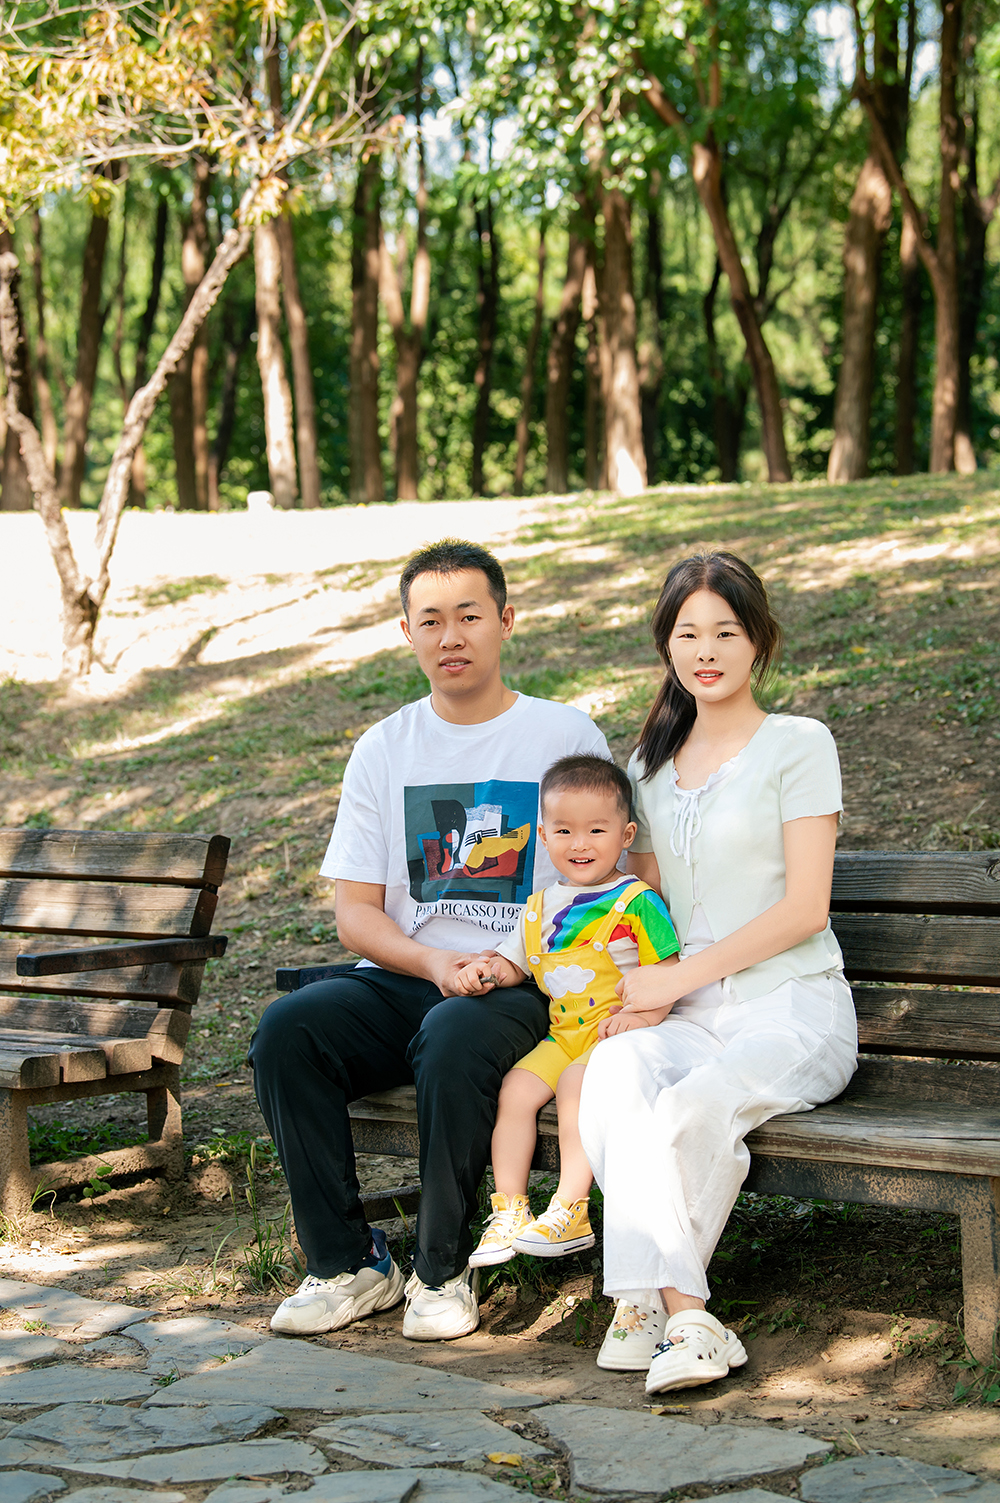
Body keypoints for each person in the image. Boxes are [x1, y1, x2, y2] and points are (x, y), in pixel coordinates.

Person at [249, 538, 610, 1342]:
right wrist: (433, 960)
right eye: (432, 620)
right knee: (288, 1029)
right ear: (407, 632)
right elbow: (356, 913)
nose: (451, 636)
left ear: (506, 621)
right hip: (411, 971)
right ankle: (347, 1263)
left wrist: (509, 959)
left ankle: (441, 1270)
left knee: (452, 1034)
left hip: (525, 979)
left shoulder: (563, 733)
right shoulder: (385, 747)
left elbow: (600, 882)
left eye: (469, 616)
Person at [578, 551, 858, 1396]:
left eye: (726, 632)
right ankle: (678, 1315)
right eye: (688, 633)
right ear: (666, 645)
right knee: (614, 1070)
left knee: (691, 1106)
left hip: (792, 1007)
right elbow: (649, 905)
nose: (706, 650)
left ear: (758, 641)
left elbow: (805, 908)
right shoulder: (648, 763)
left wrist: (675, 979)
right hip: (691, 1013)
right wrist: (644, 986)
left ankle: (657, 1307)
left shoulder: (798, 745)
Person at [452, 754, 680, 1267]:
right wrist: (487, 972)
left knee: (577, 1086)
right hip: (562, 1036)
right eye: (564, 830)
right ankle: (509, 1211)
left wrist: (643, 1018)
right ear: (543, 836)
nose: (580, 844)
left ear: (626, 835)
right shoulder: (540, 906)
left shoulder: (637, 901)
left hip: (616, 1035)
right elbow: (516, 964)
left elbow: (668, 971)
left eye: (596, 830)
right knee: (515, 1090)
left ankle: (570, 1208)